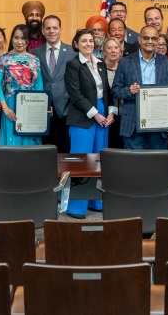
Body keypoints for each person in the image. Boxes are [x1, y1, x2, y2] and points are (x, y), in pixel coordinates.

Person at [64, 28, 113, 218]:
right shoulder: (73, 65)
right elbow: (75, 95)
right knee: (82, 161)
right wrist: (96, 115)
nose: (88, 44)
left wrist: (111, 112)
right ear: (76, 44)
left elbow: (106, 91)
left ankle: (94, 199)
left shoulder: (100, 63)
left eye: (91, 41)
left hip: (102, 114)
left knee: (98, 159)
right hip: (83, 116)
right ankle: (76, 206)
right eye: (84, 41)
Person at [111, 25, 168, 150]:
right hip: (132, 123)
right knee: (134, 161)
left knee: (157, 161)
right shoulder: (125, 62)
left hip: (160, 122)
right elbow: (115, 91)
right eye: (146, 38)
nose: (150, 41)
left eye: (154, 38)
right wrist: (129, 91)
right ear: (139, 40)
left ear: (158, 41)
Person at [0, 24, 46, 147]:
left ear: (28, 40)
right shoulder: (3, 59)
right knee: (12, 142)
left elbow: (39, 86)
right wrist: (5, 107)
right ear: (11, 39)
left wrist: (40, 107)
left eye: (23, 38)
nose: (19, 42)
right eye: (16, 38)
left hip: (30, 105)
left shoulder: (34, 60)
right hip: (10, 106)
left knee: (30, 141)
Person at [31, 15, 76, 153]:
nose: (52, 31)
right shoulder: (34, 53)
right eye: (48, 28)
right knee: (45, 148)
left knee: (66, 146)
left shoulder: (72, 52)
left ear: (61, 30)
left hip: (66, 106)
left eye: (55, 28)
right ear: (43, 31)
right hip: (43, 107)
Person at [101, 37, 124, 149]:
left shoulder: (125, 68)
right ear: (104, 52)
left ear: (120, 51)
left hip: (123, 116)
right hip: (105, 116)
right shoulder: (99, 69)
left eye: (116, 48)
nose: (113, 51)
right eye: (109, 48)